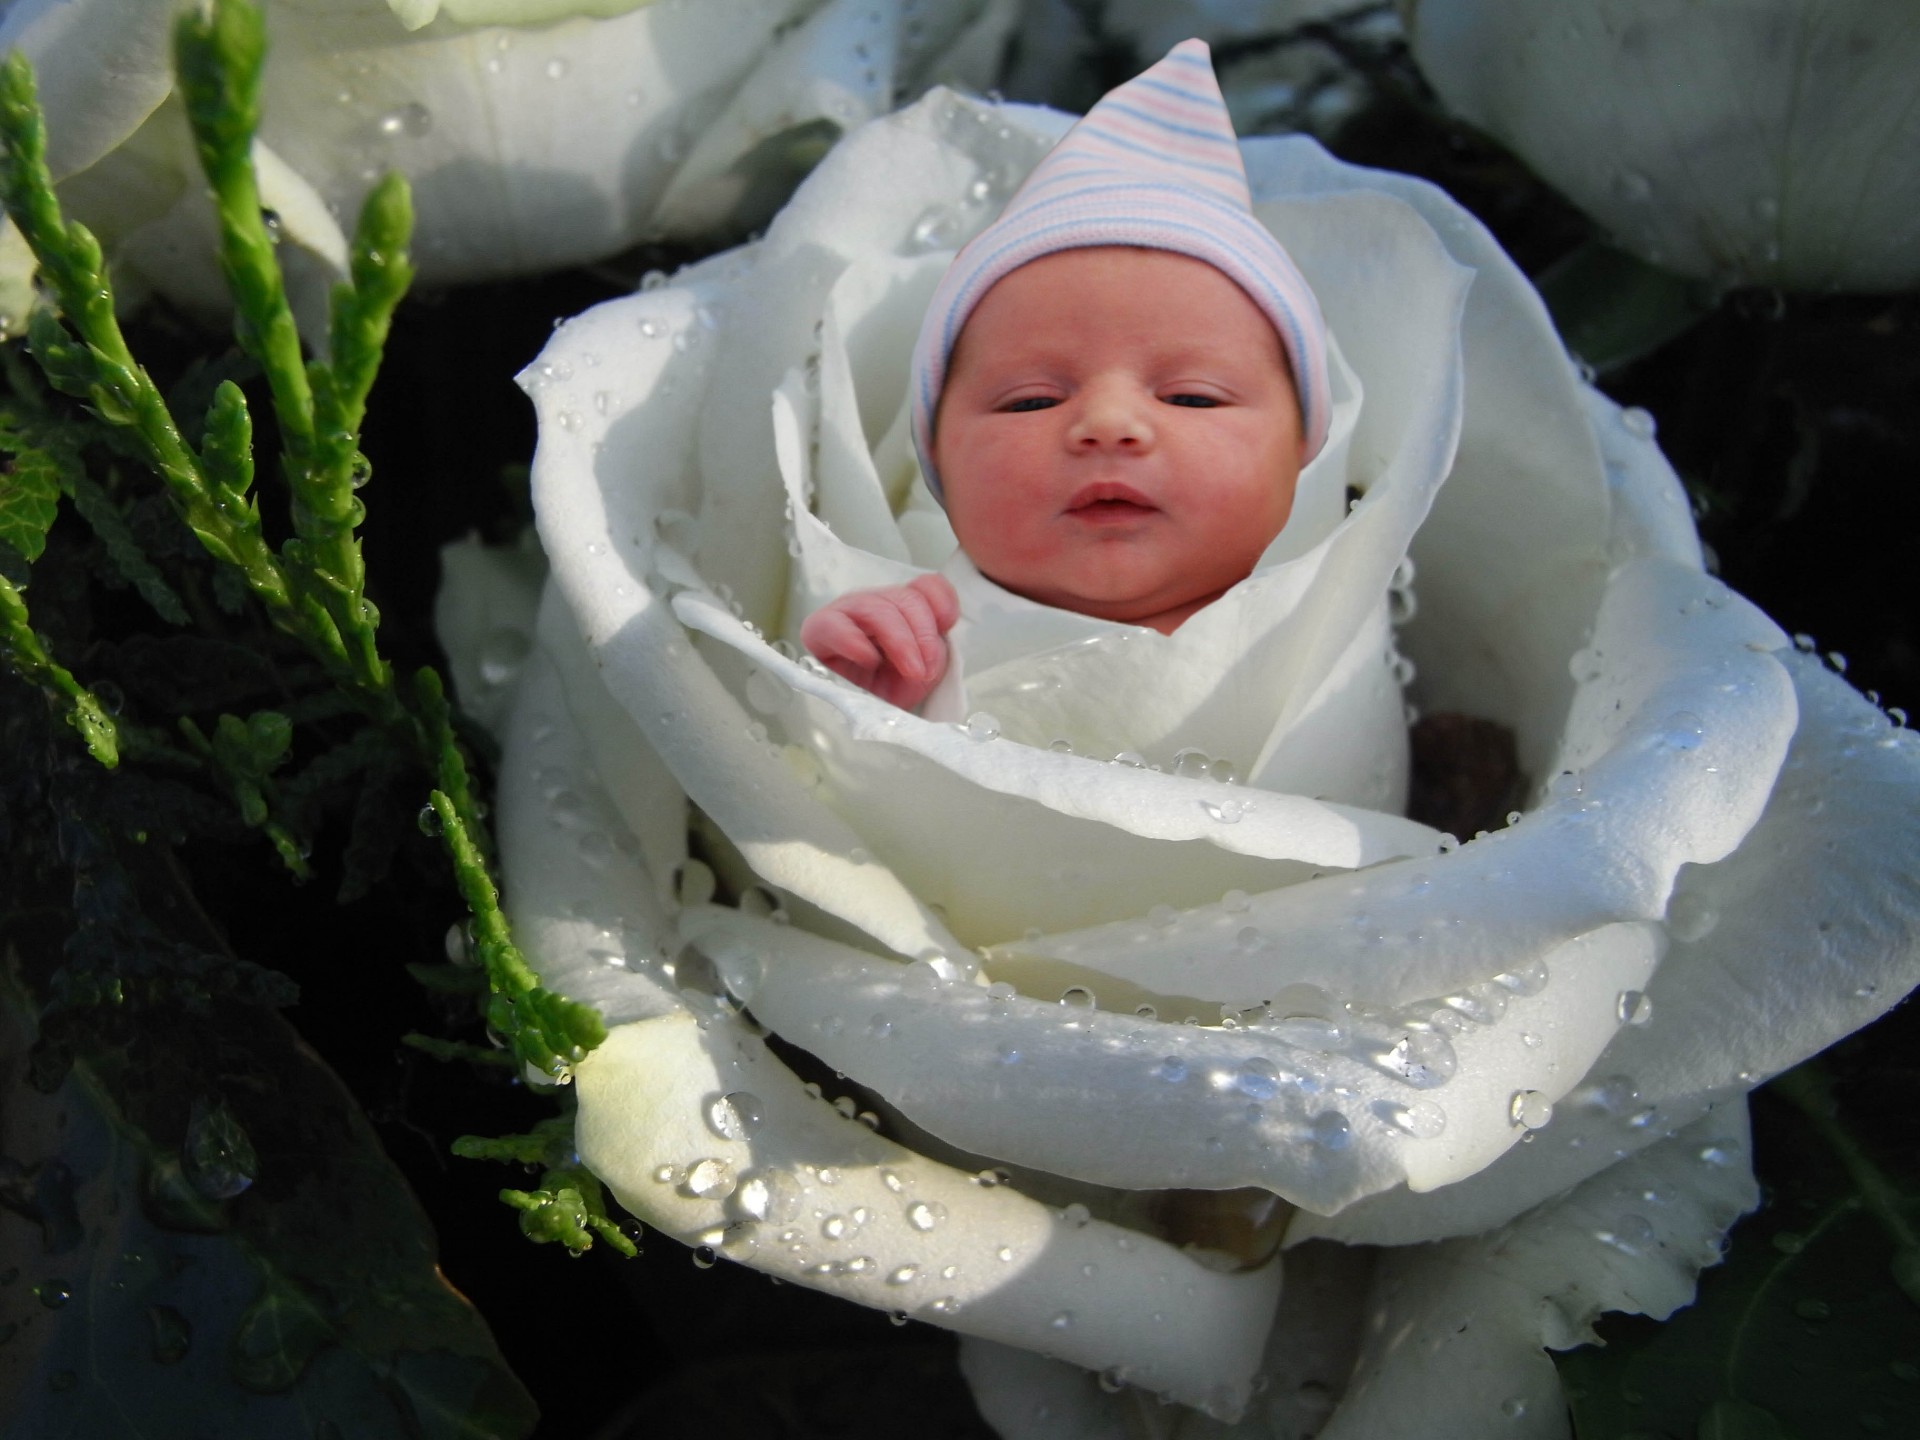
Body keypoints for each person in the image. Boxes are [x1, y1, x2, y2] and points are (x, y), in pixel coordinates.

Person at [801, 38, 1331, 723]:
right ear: (938, 462)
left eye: (1191, 396)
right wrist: (869, 690)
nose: (1108, 422)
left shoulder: (1334, 608)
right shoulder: (930, 637)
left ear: (1304, 450)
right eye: (1031, 401)